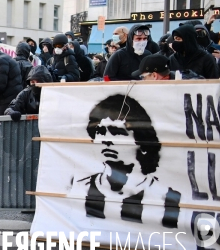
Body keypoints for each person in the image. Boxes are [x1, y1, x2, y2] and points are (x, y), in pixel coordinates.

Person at [70, 94, 180, 227]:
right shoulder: (80, 188)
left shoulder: (165, 198)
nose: (107, 140)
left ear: (141, 139)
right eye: (100, 131)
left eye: (116, 132)